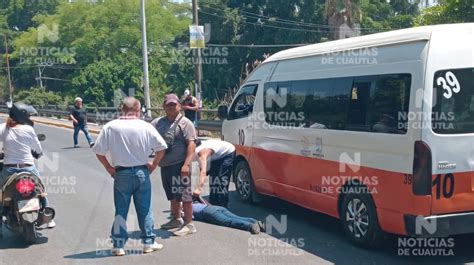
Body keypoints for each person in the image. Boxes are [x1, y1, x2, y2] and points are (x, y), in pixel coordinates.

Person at [92, 97, 168, 256]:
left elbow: (99, 151)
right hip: (142, 172)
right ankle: (148, 243)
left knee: (121, 210)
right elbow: (161, 148)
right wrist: (154, 165)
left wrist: (108, 167)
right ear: (138, 110)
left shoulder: (110, 126)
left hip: (121, 173)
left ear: (122, 109)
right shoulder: (145, 126)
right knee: (145, 209)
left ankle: (118, 246)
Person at [0, 103, 55, 228]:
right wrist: (38, 153)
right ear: (22, 116)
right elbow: (38, 149)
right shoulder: (29, 129)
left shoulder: (3, 128)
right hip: (28, 168)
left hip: (10, 169)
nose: (30, 118)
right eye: (29, 116)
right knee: (41, 189)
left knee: (1, 192)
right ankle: (47, 213)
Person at [151, 93, 197, 236]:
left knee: (184, 195)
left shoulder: (186, 123)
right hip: (165, 165)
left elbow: (191, 144)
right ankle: (176, 219)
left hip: (180, 165)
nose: (171, 107)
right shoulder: (157, 123)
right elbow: (145, 134)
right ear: (164, 106)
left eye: (174, 104)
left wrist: (186, 165)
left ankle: (189, 224)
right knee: (171, 195)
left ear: (179, 106)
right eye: (168, 104)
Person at [193, 139, 235, 208]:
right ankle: (213, 204)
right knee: (213, 180)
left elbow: (203, 171)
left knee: (222, 180)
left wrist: (198, 189)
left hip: (227, 153)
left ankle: (223, 207)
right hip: (215, 156)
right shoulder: (191, 150)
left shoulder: (202, 152)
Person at [191, 196, 264, 234]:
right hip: (214, 207)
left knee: (228, 221)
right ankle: (255, 221)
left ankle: (250, 226)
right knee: (235, 217)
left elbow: (190, 217)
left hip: (207, 212)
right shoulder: (193, 200)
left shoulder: (184, 207)